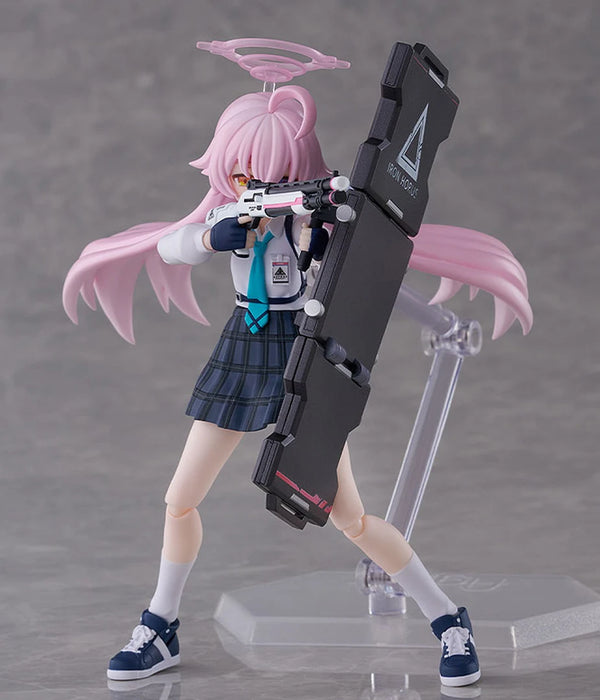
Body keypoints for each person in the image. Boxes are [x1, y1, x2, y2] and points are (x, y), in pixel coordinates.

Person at [63, 69, 532, 689]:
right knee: (180, 499)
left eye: (273, 174)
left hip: (302, 350)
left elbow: (366, 262)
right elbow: (175, 247)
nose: (256, 183)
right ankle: (161, 624)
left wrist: (324, 227)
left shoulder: (312, 217)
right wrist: (212, 234)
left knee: (350, 518)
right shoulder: (231, 211)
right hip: (242, 347)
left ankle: (448, 619)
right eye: (245, 173)